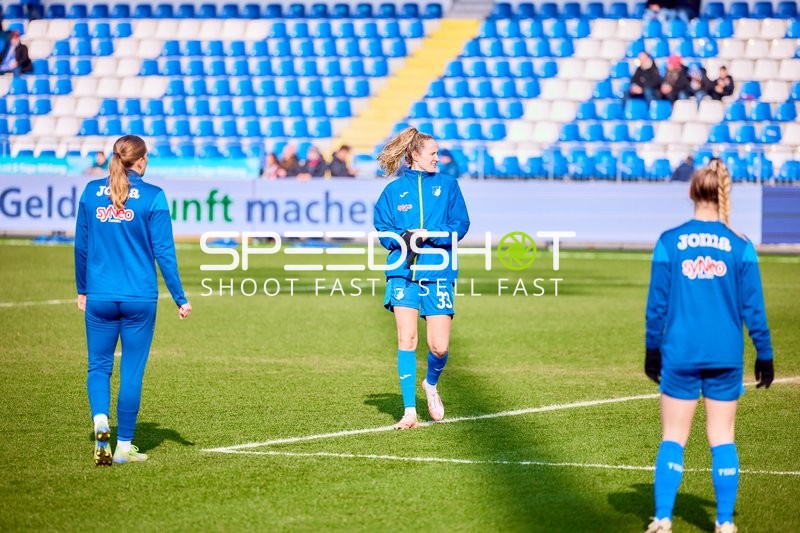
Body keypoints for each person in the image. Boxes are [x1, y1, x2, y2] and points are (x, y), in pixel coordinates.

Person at [643, 158, 774, 533]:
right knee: (722, 437)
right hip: (725, 354)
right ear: (723, 194)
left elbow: (657, 305)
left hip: (680, 353)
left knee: (673, 436)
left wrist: (652, 348)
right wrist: (763, 353)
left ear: (690, 192)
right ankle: (724, 522)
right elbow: (754, 307)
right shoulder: (741, 245)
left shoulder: (669, 241)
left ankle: (663, 518)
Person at [75, 135, 192, 466]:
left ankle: (101, 424)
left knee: (98, 366)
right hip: (139, 297)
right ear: (140, 161)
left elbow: (81, 246)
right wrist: (180, 297)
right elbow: (164, 253)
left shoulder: (89, 192)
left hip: (99, 294)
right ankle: (124, 447)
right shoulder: (154, 196)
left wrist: (82, 288)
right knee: (131, 371)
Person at [373, 127, 470, 429]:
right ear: (414, 155)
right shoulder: (392, 191)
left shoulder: (449, 185)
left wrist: (434, 236)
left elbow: (461, 224)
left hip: (439, 271)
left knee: (439, 347)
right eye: (433, 154)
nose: (438, 159)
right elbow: (382, 228)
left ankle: (430, 384)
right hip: (403, 273)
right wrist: (404, 238)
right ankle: (410, 412)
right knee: (407, 339)